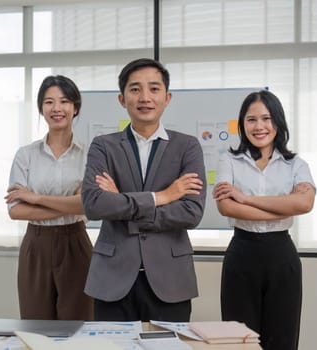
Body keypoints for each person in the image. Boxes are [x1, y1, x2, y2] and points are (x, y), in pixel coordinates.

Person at [81, 58, 206, 322]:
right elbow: (94, 205)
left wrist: (120, 203)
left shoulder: (187, 146)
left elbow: (191, 212)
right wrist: (162, 197)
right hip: (112, 278)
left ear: (167, 97)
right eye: (135, 89)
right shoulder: (103, 146)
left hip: (170, 279)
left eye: (154, 89)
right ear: (122, 99)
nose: (145, 97)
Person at [213, 90, 315, 350]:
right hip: (242, 254)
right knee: (239, 340)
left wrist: (245, 199)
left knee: (282, 338)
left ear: (278, 122)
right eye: (251, 119)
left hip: (282, 256)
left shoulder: (296, 165)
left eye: (266, 118)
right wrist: (283, 206)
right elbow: (226, 207)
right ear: (242, 124)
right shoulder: (229, 160)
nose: (259, 126)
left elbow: (304, 203)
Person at [5, 75, 93, 321]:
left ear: (75, 108)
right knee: (36, 323)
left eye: (64, 101)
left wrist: (34, 197)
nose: (57, 108)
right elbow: (16, 211)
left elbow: (88, 204)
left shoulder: (91, 154)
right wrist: (71, 204)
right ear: (41, 109)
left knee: (79, 322)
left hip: (76, 242)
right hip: (36, 244)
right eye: (49, 102)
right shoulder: (26, 155)